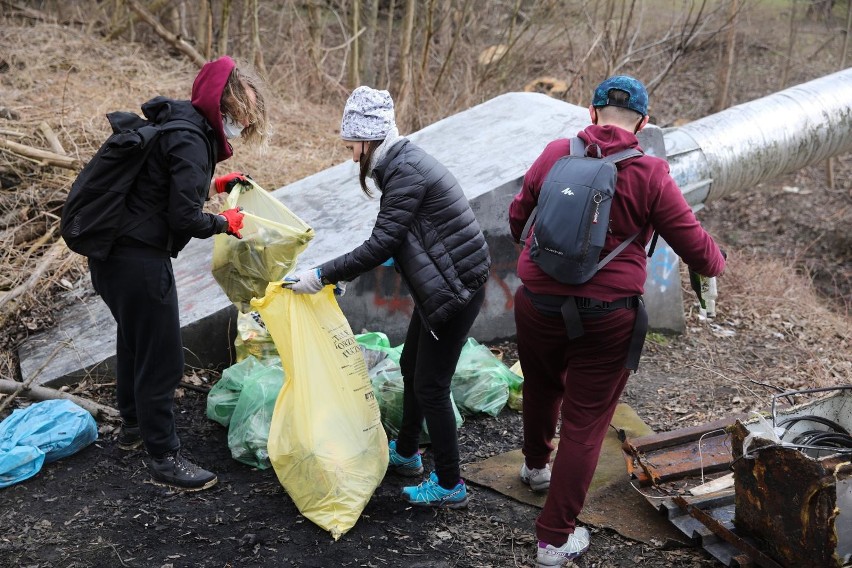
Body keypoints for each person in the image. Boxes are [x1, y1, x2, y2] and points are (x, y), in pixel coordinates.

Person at [508, 75, 726, 566]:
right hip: (607, 317)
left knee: (542, 386)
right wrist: (717, 264)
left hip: (537, 301)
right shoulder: (650, 173)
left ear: (592, 114)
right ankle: (553, 541)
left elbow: (518, 217)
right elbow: (697, 248)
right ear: (643, 124)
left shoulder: (553, 154)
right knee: (585, 424)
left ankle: (536, 467)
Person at [285, 86, 491, 508]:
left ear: (369, 138)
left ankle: (451, 483)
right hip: (445, 283)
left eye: (351, 146)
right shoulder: (400, 163)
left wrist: (323, 274)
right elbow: (403, 241)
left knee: (431, 384)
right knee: (410, 364)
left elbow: (382, 242)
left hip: (455, 290)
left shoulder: (405, 172)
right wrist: (343, 278)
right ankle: (408, 452)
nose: (350, 155)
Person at [88, 56, 268, 491]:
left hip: (111, 255)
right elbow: (185, 217)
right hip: (137, 260)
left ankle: (135, 430)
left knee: (136, 343)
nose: (239, 126)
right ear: (222, 105)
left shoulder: (179, 124)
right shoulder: (191, 138)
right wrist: (225, 223)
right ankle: (165, 457)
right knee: (163, 356)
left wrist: (215, 186)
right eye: (238, 116)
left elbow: (161, 188)